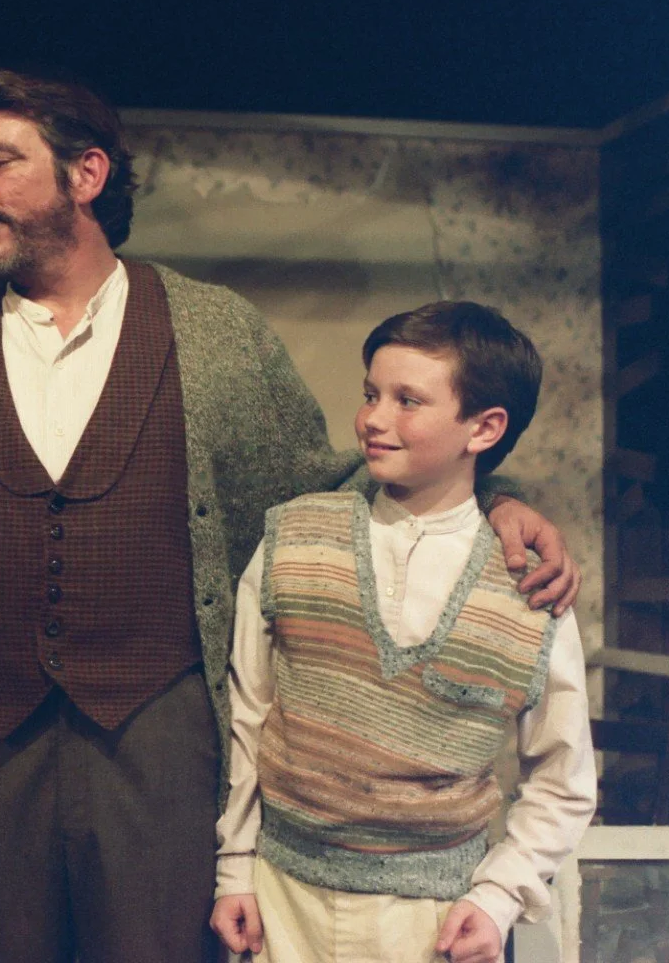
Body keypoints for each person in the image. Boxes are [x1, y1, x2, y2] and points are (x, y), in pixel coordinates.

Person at [0, 68, 580, 963]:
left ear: (87, 174)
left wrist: (493, 502)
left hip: (162, 766)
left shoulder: (218, 336)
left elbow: (334, 493)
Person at [210, 302, 596, 963]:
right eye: (370, 394)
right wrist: (235, 868)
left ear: (484, 427)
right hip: (284, 903)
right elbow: (248, 717)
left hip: (434, 923)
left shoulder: (529, 589)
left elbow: (564, 777)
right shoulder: (295, 539)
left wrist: (497, 897)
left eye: (407, 400)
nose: (373, 419)